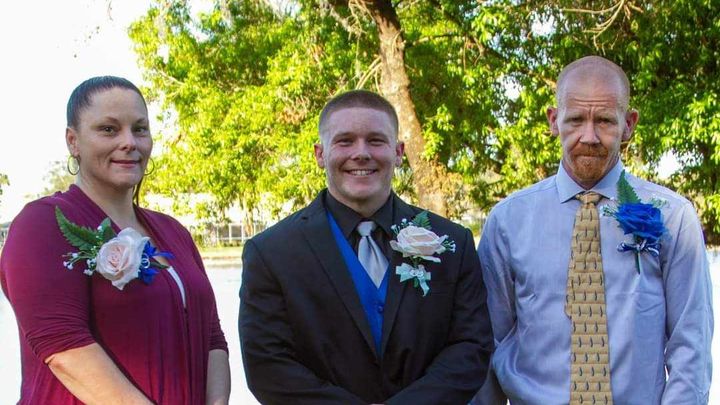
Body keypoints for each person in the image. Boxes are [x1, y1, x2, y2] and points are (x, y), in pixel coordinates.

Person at [473, 56, 713, 404]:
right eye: (575, 120)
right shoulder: (508, 222)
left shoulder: (673, 217)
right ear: (553, 121)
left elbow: (690, 343)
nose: (589, 136)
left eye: (604, 120)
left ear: (628, 124)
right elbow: (487, 342)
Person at [239, 90, 494, 404]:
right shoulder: (271, 253)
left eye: (375, 140)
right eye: (345, 141)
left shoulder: (452, 243)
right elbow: (267, 365)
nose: (361, 153)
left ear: (398, 152)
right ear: (320, 154)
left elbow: (471, 347)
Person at [0, 76, 230, 404]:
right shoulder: (42, 224)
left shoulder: (174, 232)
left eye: (139, 129)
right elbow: (63, 347)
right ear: (73, 141)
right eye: (109, 129)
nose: (129, 142)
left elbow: (212, 336)